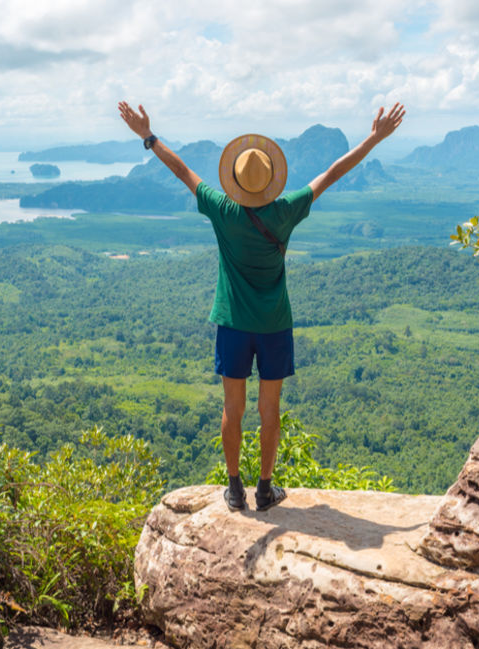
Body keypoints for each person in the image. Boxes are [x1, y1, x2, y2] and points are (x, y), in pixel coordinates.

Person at [118, 100, 405, 511]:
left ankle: (234, 490)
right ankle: (265, 488)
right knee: (269, 409)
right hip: (274, 325)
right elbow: (332, 174)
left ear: (234, 179)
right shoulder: (286, 211)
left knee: (231, 408)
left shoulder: (223, 209)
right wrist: (374, 139)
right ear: (270, 179)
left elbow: (181, 171)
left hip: (232, 324)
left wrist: (147, 136)